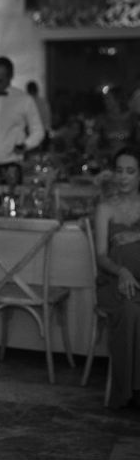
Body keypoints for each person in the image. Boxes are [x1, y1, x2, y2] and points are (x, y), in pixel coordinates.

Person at [94, 146, 140, 409]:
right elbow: (100, 255)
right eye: (119, 171)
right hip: (113, 281)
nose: (123, 177)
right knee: (130, 311)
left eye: (130, 171)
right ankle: (130, 390)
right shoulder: (105, 208)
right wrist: (121, 271)